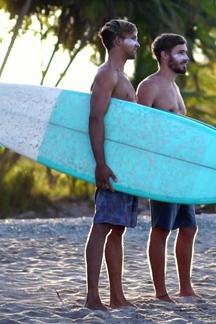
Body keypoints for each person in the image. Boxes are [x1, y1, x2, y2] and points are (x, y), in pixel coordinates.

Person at [136, 33, 201, 303]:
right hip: (162, 170)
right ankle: (161, 292)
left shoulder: (174, 87)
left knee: (188, 228)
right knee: (162, 228)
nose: (186, 58)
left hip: (181, 171)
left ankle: (185, 288)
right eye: (180, 52)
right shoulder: (149, 86)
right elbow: (139, 127)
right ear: (165, 55)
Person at [85, 19, 140, 311]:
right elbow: (95, 119)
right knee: (103, 225)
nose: (138, 43)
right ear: (118, 41)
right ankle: (93, 297)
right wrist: (100, 163)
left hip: (125, 168)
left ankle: (116, 296)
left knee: (117, 229)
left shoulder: (122, 77)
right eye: (133, 37)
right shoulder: (107, 75)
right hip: (111, 166)